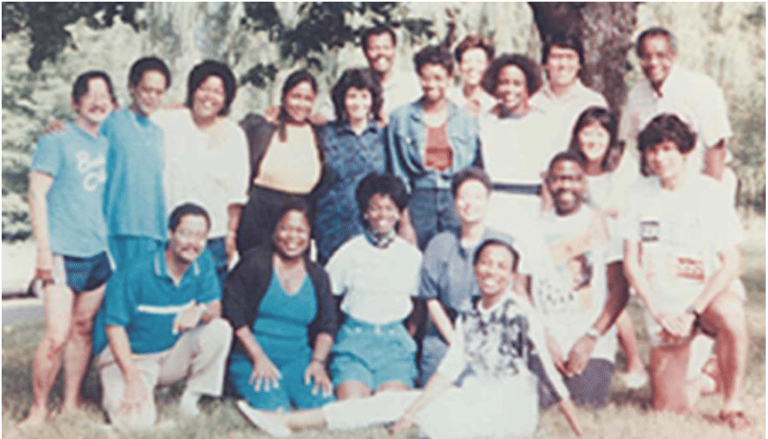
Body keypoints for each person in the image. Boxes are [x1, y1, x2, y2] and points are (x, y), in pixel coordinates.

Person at [234, 240, 587, 439]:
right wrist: (409, 413)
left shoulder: (519, 313)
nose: (490, 271)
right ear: (476, 267)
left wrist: (582, 433)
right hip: (471, 399)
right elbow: (447, 373)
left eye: (500, 266)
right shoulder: (472, 309)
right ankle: (286, 423)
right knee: (390, 404)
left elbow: (552, 381)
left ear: (511, 275)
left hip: (507, 416)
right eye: (485, 263)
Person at [620, 114, 750, 429]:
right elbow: (631, 263)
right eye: (652, 150)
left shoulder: (708, 192)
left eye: (667, 149)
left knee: (732, 315)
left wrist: (694, 311)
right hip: (665, 309)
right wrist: (660, 312)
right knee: (667, 409)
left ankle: (731, 405)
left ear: (686, 152)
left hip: (704, 301)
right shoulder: (637, 194)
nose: (659, 158)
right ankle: (707, 375)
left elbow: (732, 263)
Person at [20, 71, 117, 428]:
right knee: (57, 335)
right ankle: (38, 409)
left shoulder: (107, 144)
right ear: (76, 102)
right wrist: (43, 251)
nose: (98, 100)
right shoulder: (56, 139)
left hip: (98, 251)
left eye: (105, 94)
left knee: (82, 328)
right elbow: (36, 194)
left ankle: (71, 403)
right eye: (90, 94)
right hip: (62, 250)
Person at [91, 203, 232, 433]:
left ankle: (190, 399)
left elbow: (215, 307)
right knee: (135, 425)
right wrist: (133, 380)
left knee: (220, 329)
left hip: (170, 353)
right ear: (170, 234)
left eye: (200, 236)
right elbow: (114, 328)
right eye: (186, 234)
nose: (192, 243)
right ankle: (135, 392)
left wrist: (198, 311)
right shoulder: (136, 271)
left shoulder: (202, 261)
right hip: (131, 358)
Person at [529, 151, 629, 409]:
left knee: (586, 403)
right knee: (538, 403)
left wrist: (591, 337)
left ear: (584, 183)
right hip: (546, 341)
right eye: (559, 178)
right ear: (548, 183)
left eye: (573, 178)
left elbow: (619, 289)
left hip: (591, 343)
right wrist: (543, 338)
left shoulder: (604, 226)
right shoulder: (533, 228)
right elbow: (522, 289)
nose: (566, 185)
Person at [223, 200, 338, 410]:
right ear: (274, 230)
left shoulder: (318, 275)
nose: (292, 237)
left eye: (300, 230)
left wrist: (318, 363)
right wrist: (258, 358)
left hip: (298, 361)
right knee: (275, 408)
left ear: (310, 234)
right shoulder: (255, 263)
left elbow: (328, 324)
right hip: (253, 358)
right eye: (285, 229)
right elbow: (233, 312)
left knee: (324, 408)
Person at [566, 107, 647, 385]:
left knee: (611, 294)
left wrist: (598, 214)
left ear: (611, 138)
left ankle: (635, 360)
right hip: (578, 240)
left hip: (614, 238)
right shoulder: (571, 167)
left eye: (600, 134)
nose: (593, 140)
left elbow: (626, 204)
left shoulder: (622, 164)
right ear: (576, 136)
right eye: (587, 133)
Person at [326, 173, 422, 399]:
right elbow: (330, 298)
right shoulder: (349, 252)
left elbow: (418, 306)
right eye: (376, 208)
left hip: (394, 344)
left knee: (388, 406)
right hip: (354, 341)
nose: (382, 215)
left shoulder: (411, 256)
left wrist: (406, 335)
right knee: (352, 406)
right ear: (365, 212)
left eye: (389, 208)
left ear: (399, 213)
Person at [153, 60, 249, 286]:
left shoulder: (234, 134)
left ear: (226, 99)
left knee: (207, 303)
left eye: (217, 91)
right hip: (169, 232)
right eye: (204, 88)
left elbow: (236, 194)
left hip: (212, 236)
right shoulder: (169, 121)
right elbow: (132, 122)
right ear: (193, 90)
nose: (209, 96)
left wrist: (231, 234)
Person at [417, 167, 514, 386]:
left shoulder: (503, 243)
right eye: (463, 197)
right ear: (454, 202)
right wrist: (455, 342)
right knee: (436, 401)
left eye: (478, 197)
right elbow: (430, 298)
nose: (470, 203)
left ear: (488, 201)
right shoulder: (439, 244)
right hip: (445, 336)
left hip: (489, 334)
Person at [620, 27, 736, 195]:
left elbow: (716, 145)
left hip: (703, 182)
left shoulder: (700, 88)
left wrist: (710, 194)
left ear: (674, 55)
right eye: (646, 56)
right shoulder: (637, 95)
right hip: (662, 188)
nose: (653, 63)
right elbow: (638, 146)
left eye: (661, 56)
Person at [388, 45, 483, 250]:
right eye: (425, 78)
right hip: (418, 199)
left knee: (456, 257)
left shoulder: (465, 119)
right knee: (414, 260)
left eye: (439, 78)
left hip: (454, 199)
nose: (431, 84)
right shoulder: (401, 118)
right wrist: (404, 222)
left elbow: (473, 170)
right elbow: (398, 174)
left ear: (450, 78)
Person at [237, 70, 325, 256]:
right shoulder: (263, 127)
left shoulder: (319, 132)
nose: (301, 104)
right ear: (284, 97)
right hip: (261, 210)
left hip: (300, 211)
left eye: (307, 98)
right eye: (295, 96)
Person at [478, 53, 558, 242]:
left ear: (527, 87)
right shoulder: (485, 121)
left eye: (517, 83)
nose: (509, 89)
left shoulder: (543, 122)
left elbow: (548, 176)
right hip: (494, 206)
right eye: (504, 82)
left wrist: (545, 215)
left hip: (531, 205)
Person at [102, 57, 171, 268]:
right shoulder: (110, 123)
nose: (152, 97)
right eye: (147, 90)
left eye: (159, 92)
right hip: (118, 228)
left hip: (154, 232)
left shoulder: (159, 132)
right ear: (132, 88)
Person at [313, 68, 387, 265]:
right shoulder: (325, 134)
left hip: (372, 226)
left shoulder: (383, 136)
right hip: (331, 225)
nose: (358, 103)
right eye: (352, 96)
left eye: (364, 96)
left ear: (373, 100)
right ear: (342, 100)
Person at [530, 33, 608, 152]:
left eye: (570, 57)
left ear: (579, 64)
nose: (563, 64)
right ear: (545, 64)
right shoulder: (532, 102)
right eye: (556, 57)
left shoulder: (593, 102)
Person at [362, 24, 421, 119]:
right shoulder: (356, 82)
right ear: (365, 52)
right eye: (374, 48)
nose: (381, 53)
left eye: (386, 48)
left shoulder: (413, 84)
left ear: (394, 50)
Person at [447, 35, 496, 116]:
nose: (473, 67)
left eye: (479, 62)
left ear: (488, 66)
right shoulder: (448, 100)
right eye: (467, 61)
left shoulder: (493, 106)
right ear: (459, 66)